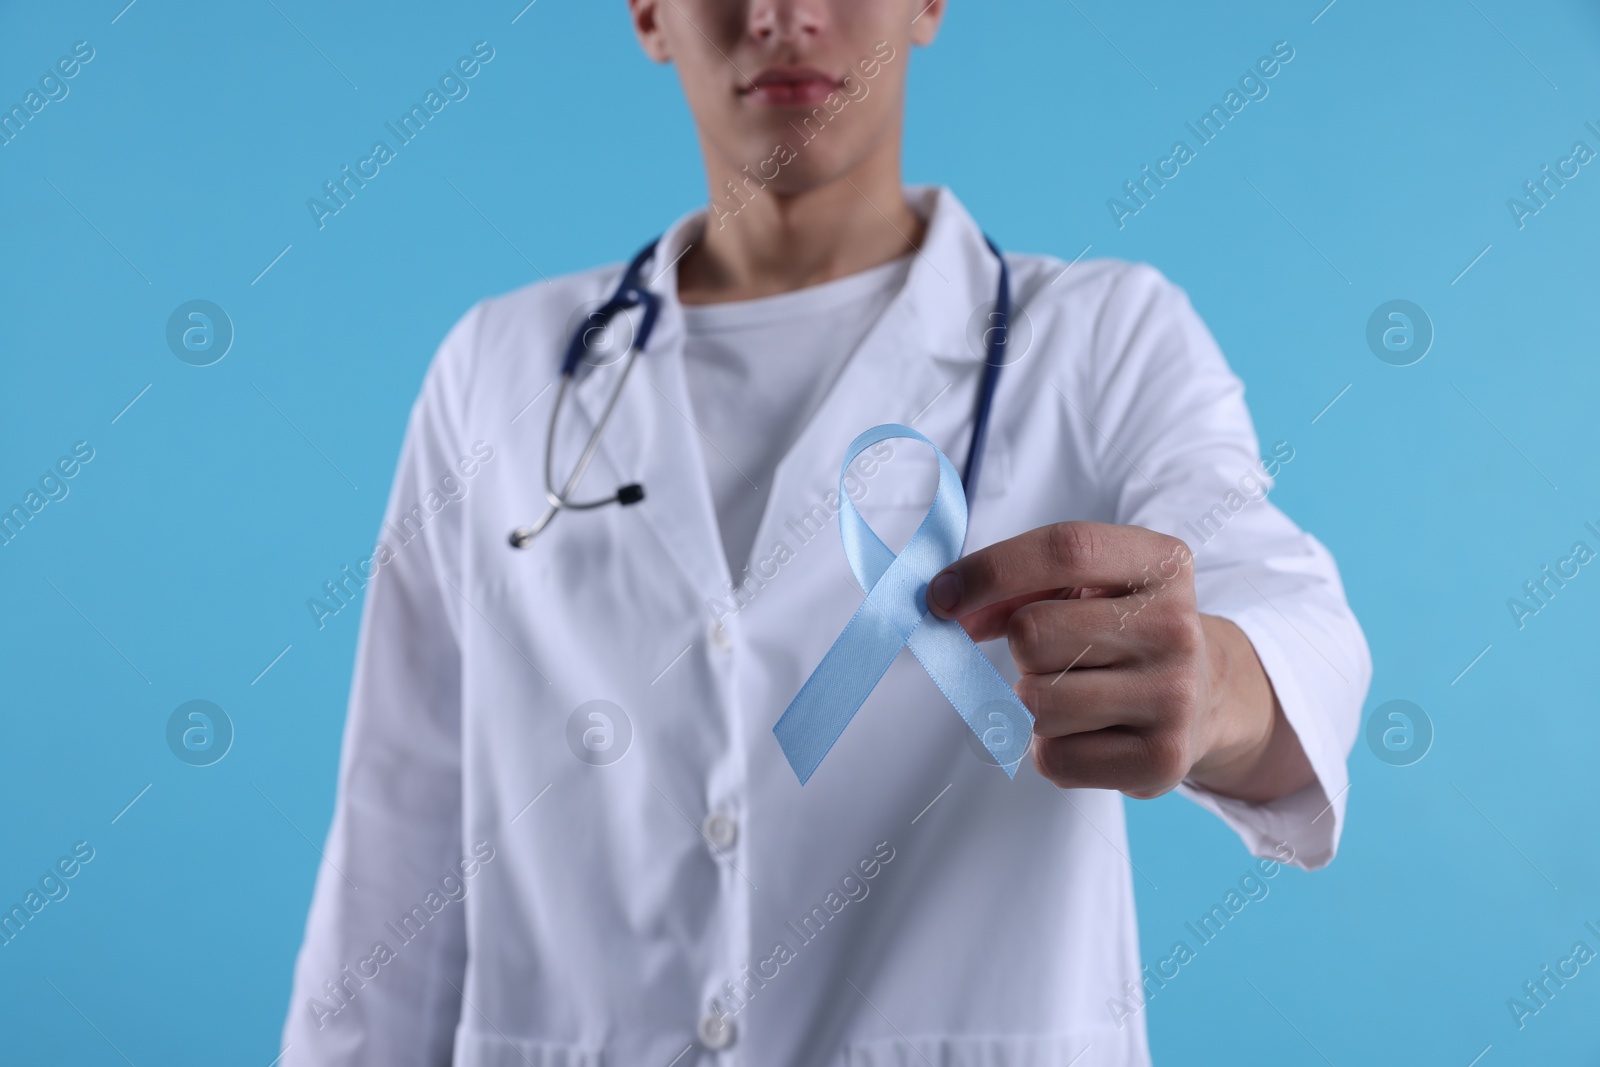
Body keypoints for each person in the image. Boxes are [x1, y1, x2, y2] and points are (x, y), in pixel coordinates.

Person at [281, 1, 1370, 1064]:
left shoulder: (1100, 338)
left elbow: (1284, 610)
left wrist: (1216, 681)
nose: (779, 13)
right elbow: (399, 843)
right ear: (648, 15)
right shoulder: (500, 367)